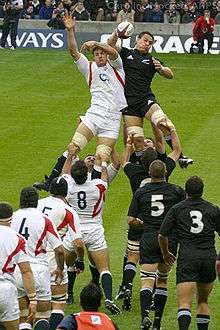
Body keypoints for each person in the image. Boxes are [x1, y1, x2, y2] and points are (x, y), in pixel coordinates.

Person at [115, 120, 181, 305]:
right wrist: (172, 131)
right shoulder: (164, 173)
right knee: (154, 261)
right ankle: (152, 297)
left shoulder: (134, 171)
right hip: (157, 223)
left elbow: (124, 162)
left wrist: (128, 145)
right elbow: (175, 152)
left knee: (132, 255)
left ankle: (127, 286)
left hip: (138, 217)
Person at [107, 29, 193, 168]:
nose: (147, 44)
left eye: (150, 43)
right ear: (137, 39)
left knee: (164, 124)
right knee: (137, 141)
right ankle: (144, 169)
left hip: (146, 100)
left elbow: (170, 74)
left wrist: (161, 69)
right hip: (129, 105)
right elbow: (110, 45)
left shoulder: (152, 60)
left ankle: (181, 156)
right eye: (145, 40)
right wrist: (117, 32)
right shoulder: (126, 53)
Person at [61, 146, 120, 314]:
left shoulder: (69, 187)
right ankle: (108, 298)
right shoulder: (98, 186)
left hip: (74, 232)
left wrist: (70, 156)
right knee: (104, 269)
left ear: (73, 175)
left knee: (63, 266)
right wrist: (102, 163)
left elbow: (64, 174)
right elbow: (104, 177)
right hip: (94, 230)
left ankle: (63, 294)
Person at [62, 13, 127, 164]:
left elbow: (113, 52)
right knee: (73, 148)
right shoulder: (89, 68)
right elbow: (74, 52)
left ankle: (98, 187)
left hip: (113, 118)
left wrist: (96, 43)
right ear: (93, 57)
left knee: (102, 158)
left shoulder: (117, 66)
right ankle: (55, 179)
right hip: (95, 114)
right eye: (96, 54)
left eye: (102, 53)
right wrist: (70, 31)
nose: (100, 56)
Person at [128, 160, 185, 330]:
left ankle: (145, 316)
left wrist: (143, 223)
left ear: (150, 174)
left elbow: (131, 221)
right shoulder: (176, 191)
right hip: (169, 239)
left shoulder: (141, 192)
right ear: (166, 172)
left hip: (149, 238)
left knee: (146, 280)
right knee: (162, 280)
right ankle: (158, 322)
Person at [158, 176, 220, 330]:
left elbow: (162, 235)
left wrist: (166, 253)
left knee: (185, 303)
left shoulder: (177, 209)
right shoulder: (212, 209)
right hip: (208, 258)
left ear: (186, 192)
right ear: (202, 191)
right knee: (203, 301)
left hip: (188, 258)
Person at [11, 187, 65, 330]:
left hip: (17, 271)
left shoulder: (12, 218)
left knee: (23, 318)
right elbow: (59, 249)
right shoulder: (45, 220)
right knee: (42, 316)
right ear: (36, 202)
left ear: (20, 201)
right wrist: (59, 268)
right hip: (39, 272)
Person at [37, 177, 85, 330]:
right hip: (53, 259)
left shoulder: (37, 204)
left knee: (35, 306)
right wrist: (80, 260)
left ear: (50, 189)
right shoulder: (69, 211)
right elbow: (78, 243)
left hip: (31, 258)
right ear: (66, 192)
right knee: (58, 302)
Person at [0, 202, 36, 330]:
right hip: (6, 290)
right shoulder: (17, 238)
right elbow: (26, 271)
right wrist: (32, 299)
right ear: (11, 218)